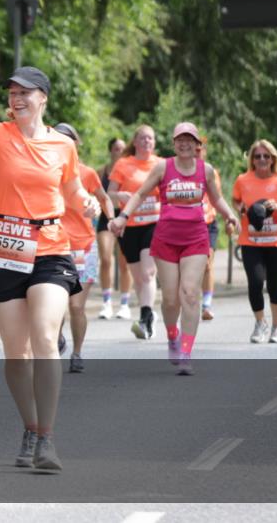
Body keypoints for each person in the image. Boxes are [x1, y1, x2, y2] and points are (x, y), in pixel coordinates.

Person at [0, 63, 100, 472]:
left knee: (45, 336)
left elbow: (73, 187)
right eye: (12, 92)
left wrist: (88, 202)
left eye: (26, 91)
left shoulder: (63, 146)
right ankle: (29, 425)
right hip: (6, 250)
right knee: (16, 355)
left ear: (43, 97)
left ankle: (46, 438)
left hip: (50, 247)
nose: (17, 98)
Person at [110, 123, 238, 374]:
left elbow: (216, 198)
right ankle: (172, 336)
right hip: (166, 239)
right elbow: (139, 194)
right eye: (180, 139)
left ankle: (186, 352)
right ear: (173, 142)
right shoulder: (163, 167)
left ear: (197, 144)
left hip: (196, 239)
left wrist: (229, 215)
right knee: (170, 298)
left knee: (190, 293)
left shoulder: (206, 170)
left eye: (190, 139)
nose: (184, 143)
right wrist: (123, 216)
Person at [53, 123, 114, 374]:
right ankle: (56, 337)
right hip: (53, 247)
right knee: (55, 305)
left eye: (67, 139)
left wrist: (111, 221)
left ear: (76, 145)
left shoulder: (87, 174)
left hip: (84, 247)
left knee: (76, 306)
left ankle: (77, 352)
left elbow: (105, 198)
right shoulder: (45, 171)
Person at [231, 139, 277, 344]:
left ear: (272, 159)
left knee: (275, 287)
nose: (262, 159)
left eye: (266, 156)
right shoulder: (243, 179)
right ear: (252, 159)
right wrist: (241, 208)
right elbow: (235, 200)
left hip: (276, 242)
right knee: (255, 283)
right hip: (251, 242)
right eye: (257, 156)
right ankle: (261, 323)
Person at [108, 125, 161, 340]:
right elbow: (109, 194)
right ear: (136, 142)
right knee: (138, 278)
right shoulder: (124, 164)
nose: (147, 142)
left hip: (154, 223)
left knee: (148, 272)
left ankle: (145, 318)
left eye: (150, 138)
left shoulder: (161, 164)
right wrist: (120, 196)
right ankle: (148, 313)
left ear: (154, 143)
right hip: (129, 226)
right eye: (143, 138)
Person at [96, 138, 133, 319]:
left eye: (123, 149)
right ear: (111, 151)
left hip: (125, 217)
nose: (120, 151)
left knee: (125, 261)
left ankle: (125, 304)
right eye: (117, 148)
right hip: (106, 218)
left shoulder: (129, 171)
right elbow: (94, 194)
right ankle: (106, 302)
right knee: (105, 258)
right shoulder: (101, 172)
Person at [197, 137, 223, 320]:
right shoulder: (177, 170)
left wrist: (229, 218)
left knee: (207, 263)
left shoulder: (210, 171)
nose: (196, 152)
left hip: (208, 222)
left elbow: (217, 198)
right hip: (186, 224)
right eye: (194, 149)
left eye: (200, 149)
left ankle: (206, 305)